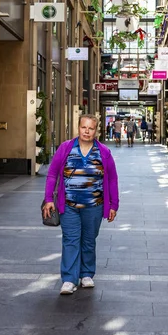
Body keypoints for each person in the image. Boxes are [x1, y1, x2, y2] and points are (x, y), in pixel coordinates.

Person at [43, 114, 119, 295]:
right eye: (83, 127)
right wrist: (48, 200)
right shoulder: (65, 148)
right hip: (68, 205)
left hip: (94, 205)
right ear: (78, 128)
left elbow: (113, 179)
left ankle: (86, 274)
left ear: (96, 130)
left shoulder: (103, 152)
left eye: (90, 128)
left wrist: (113, 205)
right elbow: (52, 174)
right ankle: (69, 279)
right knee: (71, 240)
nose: (86, 131)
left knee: (88, 240)